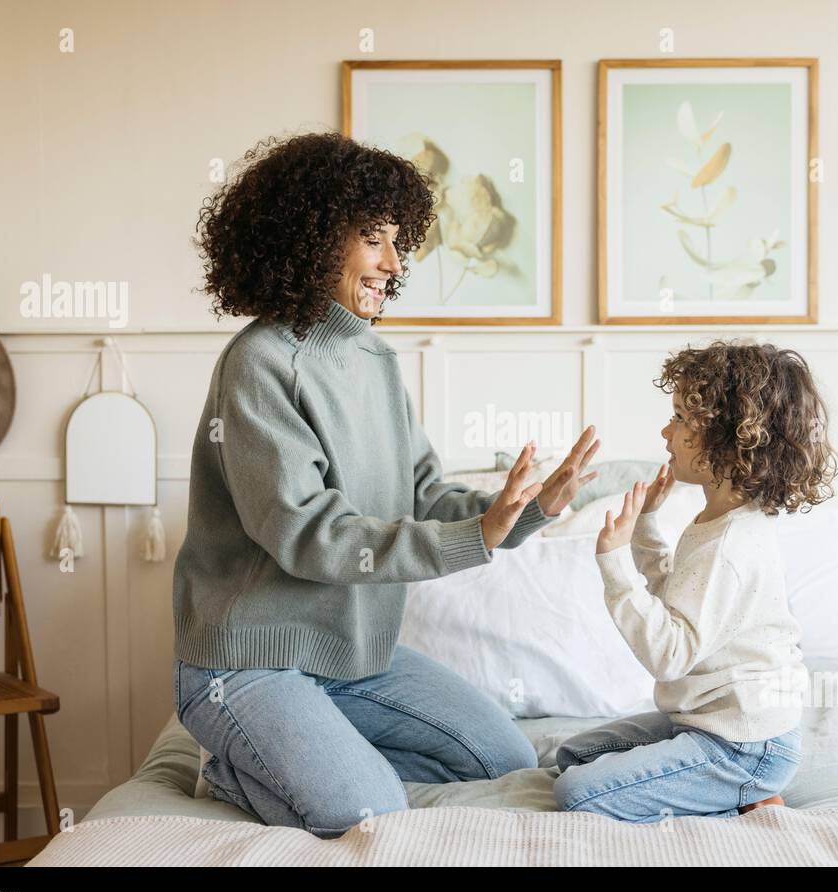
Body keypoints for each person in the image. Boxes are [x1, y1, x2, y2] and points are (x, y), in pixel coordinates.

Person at [172, 131, 599, 837]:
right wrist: (474, 537)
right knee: (366, 809)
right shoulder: (259, 363)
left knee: (506, 755)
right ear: (310, 238)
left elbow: (426, 493)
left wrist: (527, 510)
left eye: (398, 242)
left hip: (353, 655)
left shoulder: (375, 359)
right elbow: (310, 535)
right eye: (374, 240)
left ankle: (310, 746)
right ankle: (231, 769)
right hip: (247, 661)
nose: (394, 264)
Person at [553, 340, 838, 823]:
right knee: (574, 756)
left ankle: (744, 797)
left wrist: (614, 561)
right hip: (703, 721)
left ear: (730, 438)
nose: (666, 431)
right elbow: (675, 603)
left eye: (682, 419)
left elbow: (669, 654)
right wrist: (646, 527)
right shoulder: (718, 519)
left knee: (576, 795)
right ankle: (717, 789)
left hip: (744, 745)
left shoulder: (731, 544)